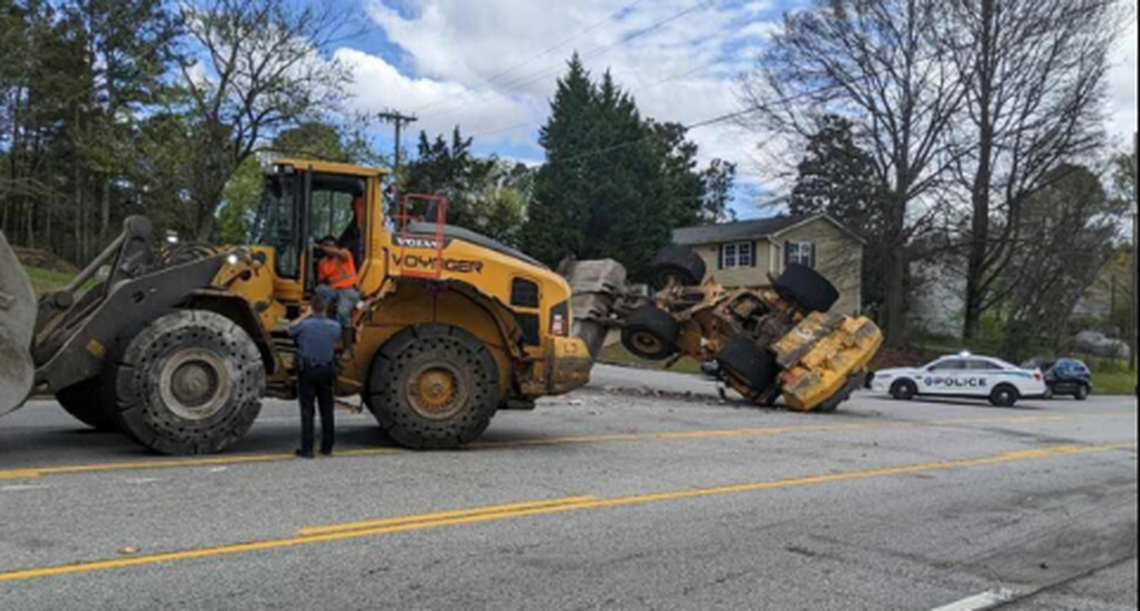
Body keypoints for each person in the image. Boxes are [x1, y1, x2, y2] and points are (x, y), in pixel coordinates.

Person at [289, 293, 341, 459]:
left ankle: (307, 450)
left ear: (312, 308)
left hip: (308, 370)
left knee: (307, 411)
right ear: (325, 308)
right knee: (327, 410)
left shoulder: (304, 325)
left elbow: (289, 329)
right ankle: (327, 447)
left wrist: (305, 315)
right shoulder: (335, 326)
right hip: (327, 370)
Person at [315, 235, 360, 330]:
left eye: (331, 246)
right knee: (320, 289)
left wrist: (323, 247)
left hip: (348, 289)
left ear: (336, 247)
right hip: (333, 290)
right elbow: (322, 280)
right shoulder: (323, 263)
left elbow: (339, 254)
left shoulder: (344, 254)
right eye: (326, 245)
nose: (328, 248)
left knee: (343, 312)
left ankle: (346, 339)